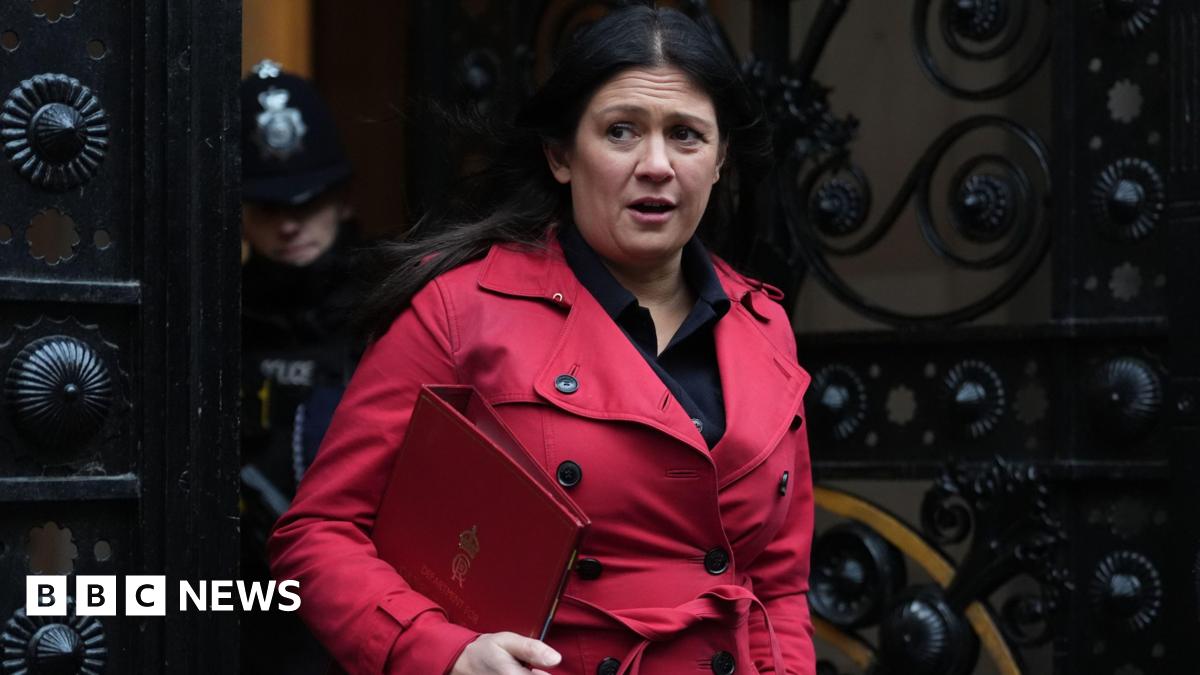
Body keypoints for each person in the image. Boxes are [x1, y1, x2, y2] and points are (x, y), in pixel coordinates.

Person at [269, 7, 816, 675]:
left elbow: (779, 584)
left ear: (721, 156)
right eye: (621, 132)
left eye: (686, 136)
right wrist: (444, 654)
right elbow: (317, 535)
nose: (656, 164)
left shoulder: (764, 327)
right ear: (561, 155)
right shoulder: (461, 309)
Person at [239, 59, 360, 675]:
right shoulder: (214, 320)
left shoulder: (392, 309)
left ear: (341, 200)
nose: (288, 225)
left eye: (307, 202)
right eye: (266, 208)